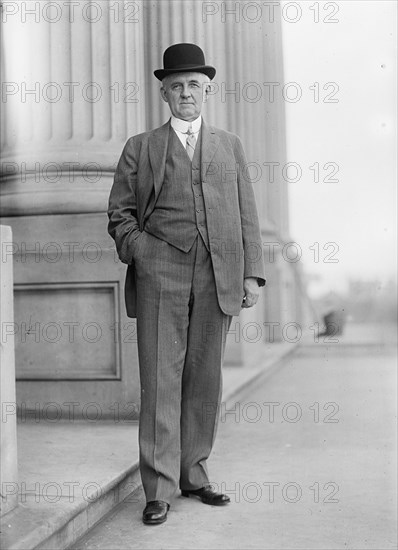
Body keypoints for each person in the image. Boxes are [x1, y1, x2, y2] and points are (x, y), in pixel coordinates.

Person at [108, 43, 266, 525]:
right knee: (160, 379)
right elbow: (120, 214)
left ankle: (194, 475)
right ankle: (158, 488)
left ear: (207, 90)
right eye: (176, 86)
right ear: (164, 93)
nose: (186, 93)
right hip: (161, 275)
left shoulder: (230, 145)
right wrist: (145, 254)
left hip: (218, 274)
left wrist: (251, 273)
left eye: (194, 84)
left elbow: (246, 214)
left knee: (204, 379)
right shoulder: (141, 147)